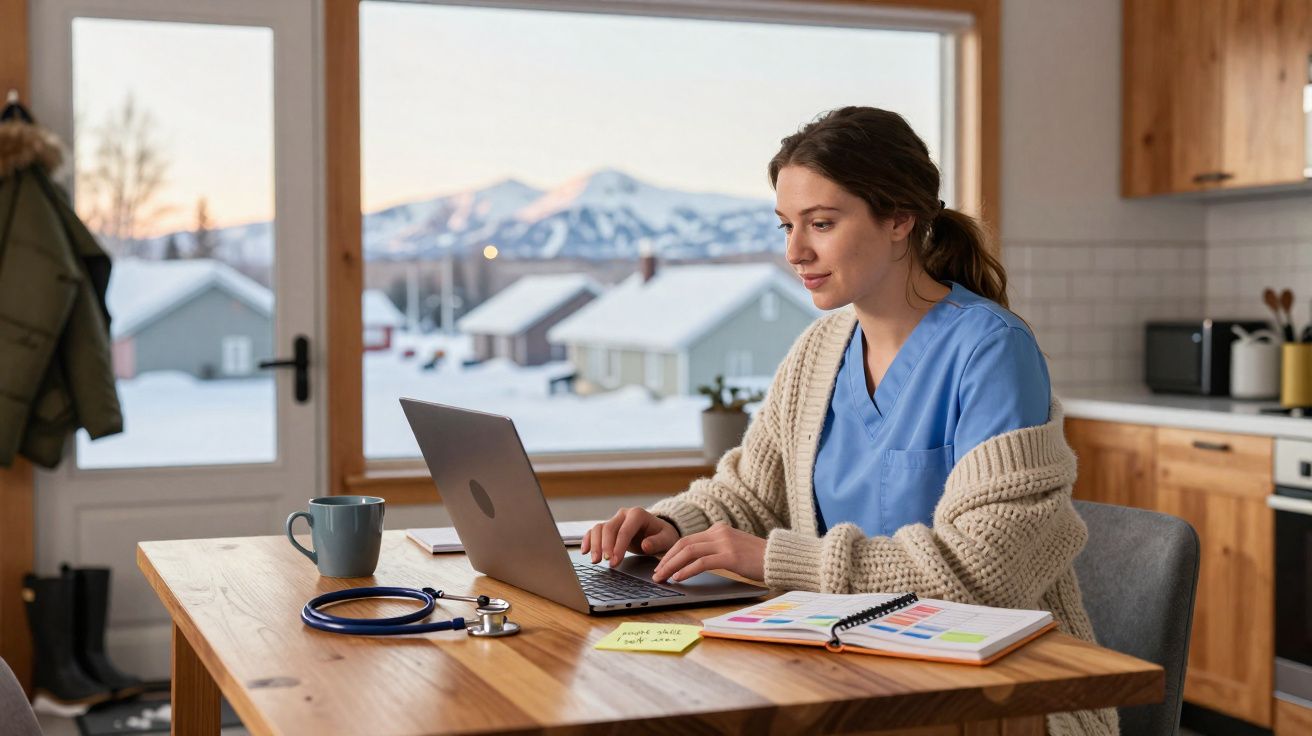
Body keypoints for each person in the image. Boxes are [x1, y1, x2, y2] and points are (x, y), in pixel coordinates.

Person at [579, 107, 1114, 736]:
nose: (795, 251)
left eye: (822, 224)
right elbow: (752, 494)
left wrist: (774, 560)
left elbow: (982, 575)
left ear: (899, 219)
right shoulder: (819, 350)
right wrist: (673, 524)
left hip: (995, 694)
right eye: (786, 226)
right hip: (849, 662)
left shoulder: (992, 350)